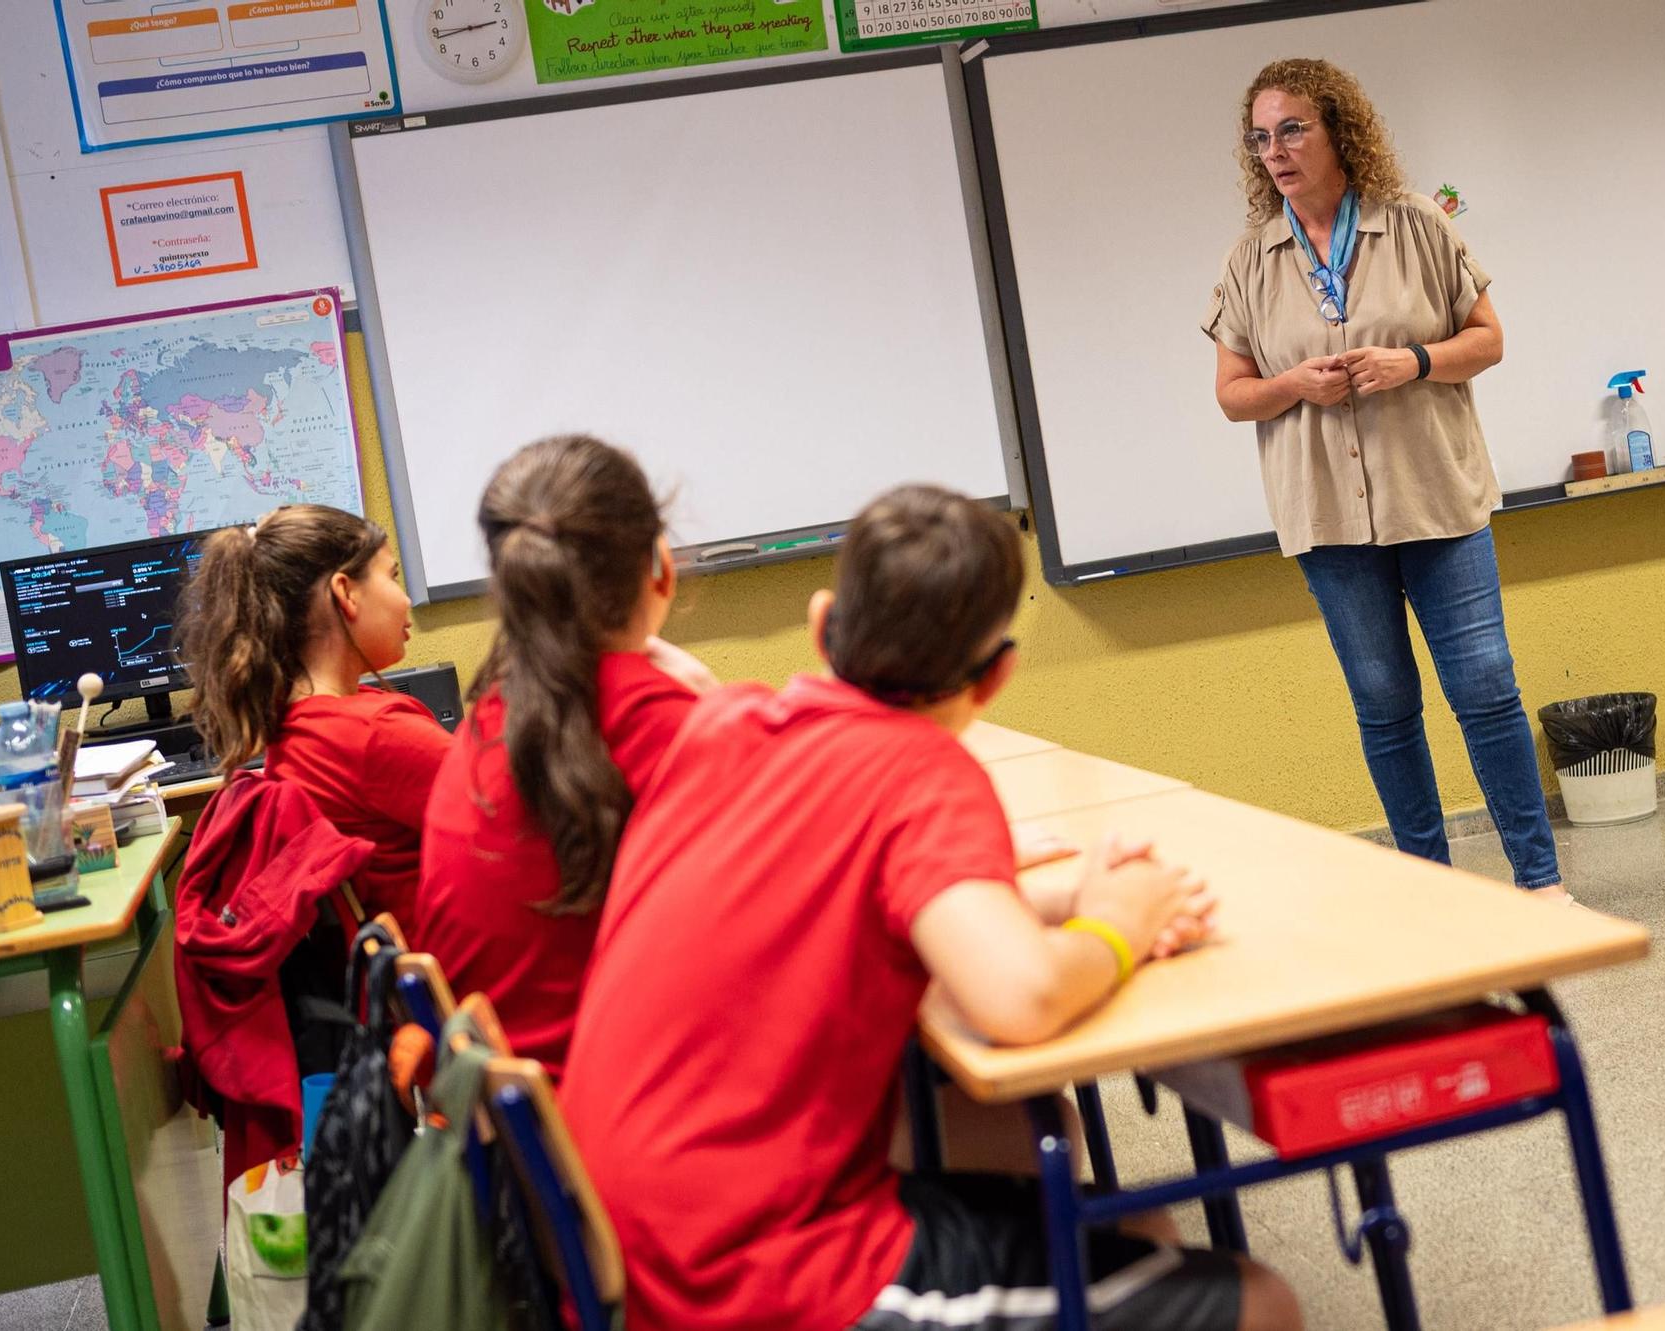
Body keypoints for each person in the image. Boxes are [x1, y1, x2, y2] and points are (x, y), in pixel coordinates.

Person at [559, 485, 1301, 1331]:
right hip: (744, 1273)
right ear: (997, 676)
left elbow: (850, 890)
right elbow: (1019, 999)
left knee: (1127, 1220)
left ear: (821, 621)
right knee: (1261, 1301)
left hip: (619, 1227)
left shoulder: (724, 724)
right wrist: (1119, 925)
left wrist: (1065, 896)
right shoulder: (922, 771)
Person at [1202, 57, 1568, 902]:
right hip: (1328, 518)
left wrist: (1413, 361)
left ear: (1339, 129)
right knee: (1383, 700)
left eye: (1293, 128)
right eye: (1261, 138)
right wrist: (1294, 385)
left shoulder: (1415, 227)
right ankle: (1428, 891)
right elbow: (1232, 395)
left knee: (1484, 685)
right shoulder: (1249, 262)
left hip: (1436, 497)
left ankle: (1541, 883)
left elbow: (1489, 338)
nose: (1276, 151)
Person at [413, 434, 713, 1071]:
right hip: (616, 1114)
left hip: (511, 1129)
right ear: (660, 563)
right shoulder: (670, 731)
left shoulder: (489, 719)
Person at [177, 504, 451, 930]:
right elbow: (520, 819)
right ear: (346, 592)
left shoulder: (294, 726)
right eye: (393, 577)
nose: (406, 599)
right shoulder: (372, 733)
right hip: (461, 977)